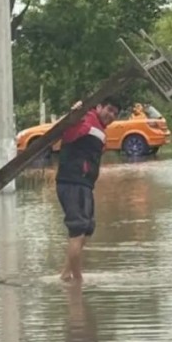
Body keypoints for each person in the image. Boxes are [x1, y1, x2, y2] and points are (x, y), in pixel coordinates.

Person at [57, 97, 121, 282]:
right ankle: (77, 282)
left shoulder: (100, 130)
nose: (111, 115)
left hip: (84, 184)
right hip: (72, 182)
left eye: (115, 114)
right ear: (98, 106)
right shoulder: (86, 119)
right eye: (109, 110)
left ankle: (66, 274)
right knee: (77, 230)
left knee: (86, 229)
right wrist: (74, 113)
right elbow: (67, 131)